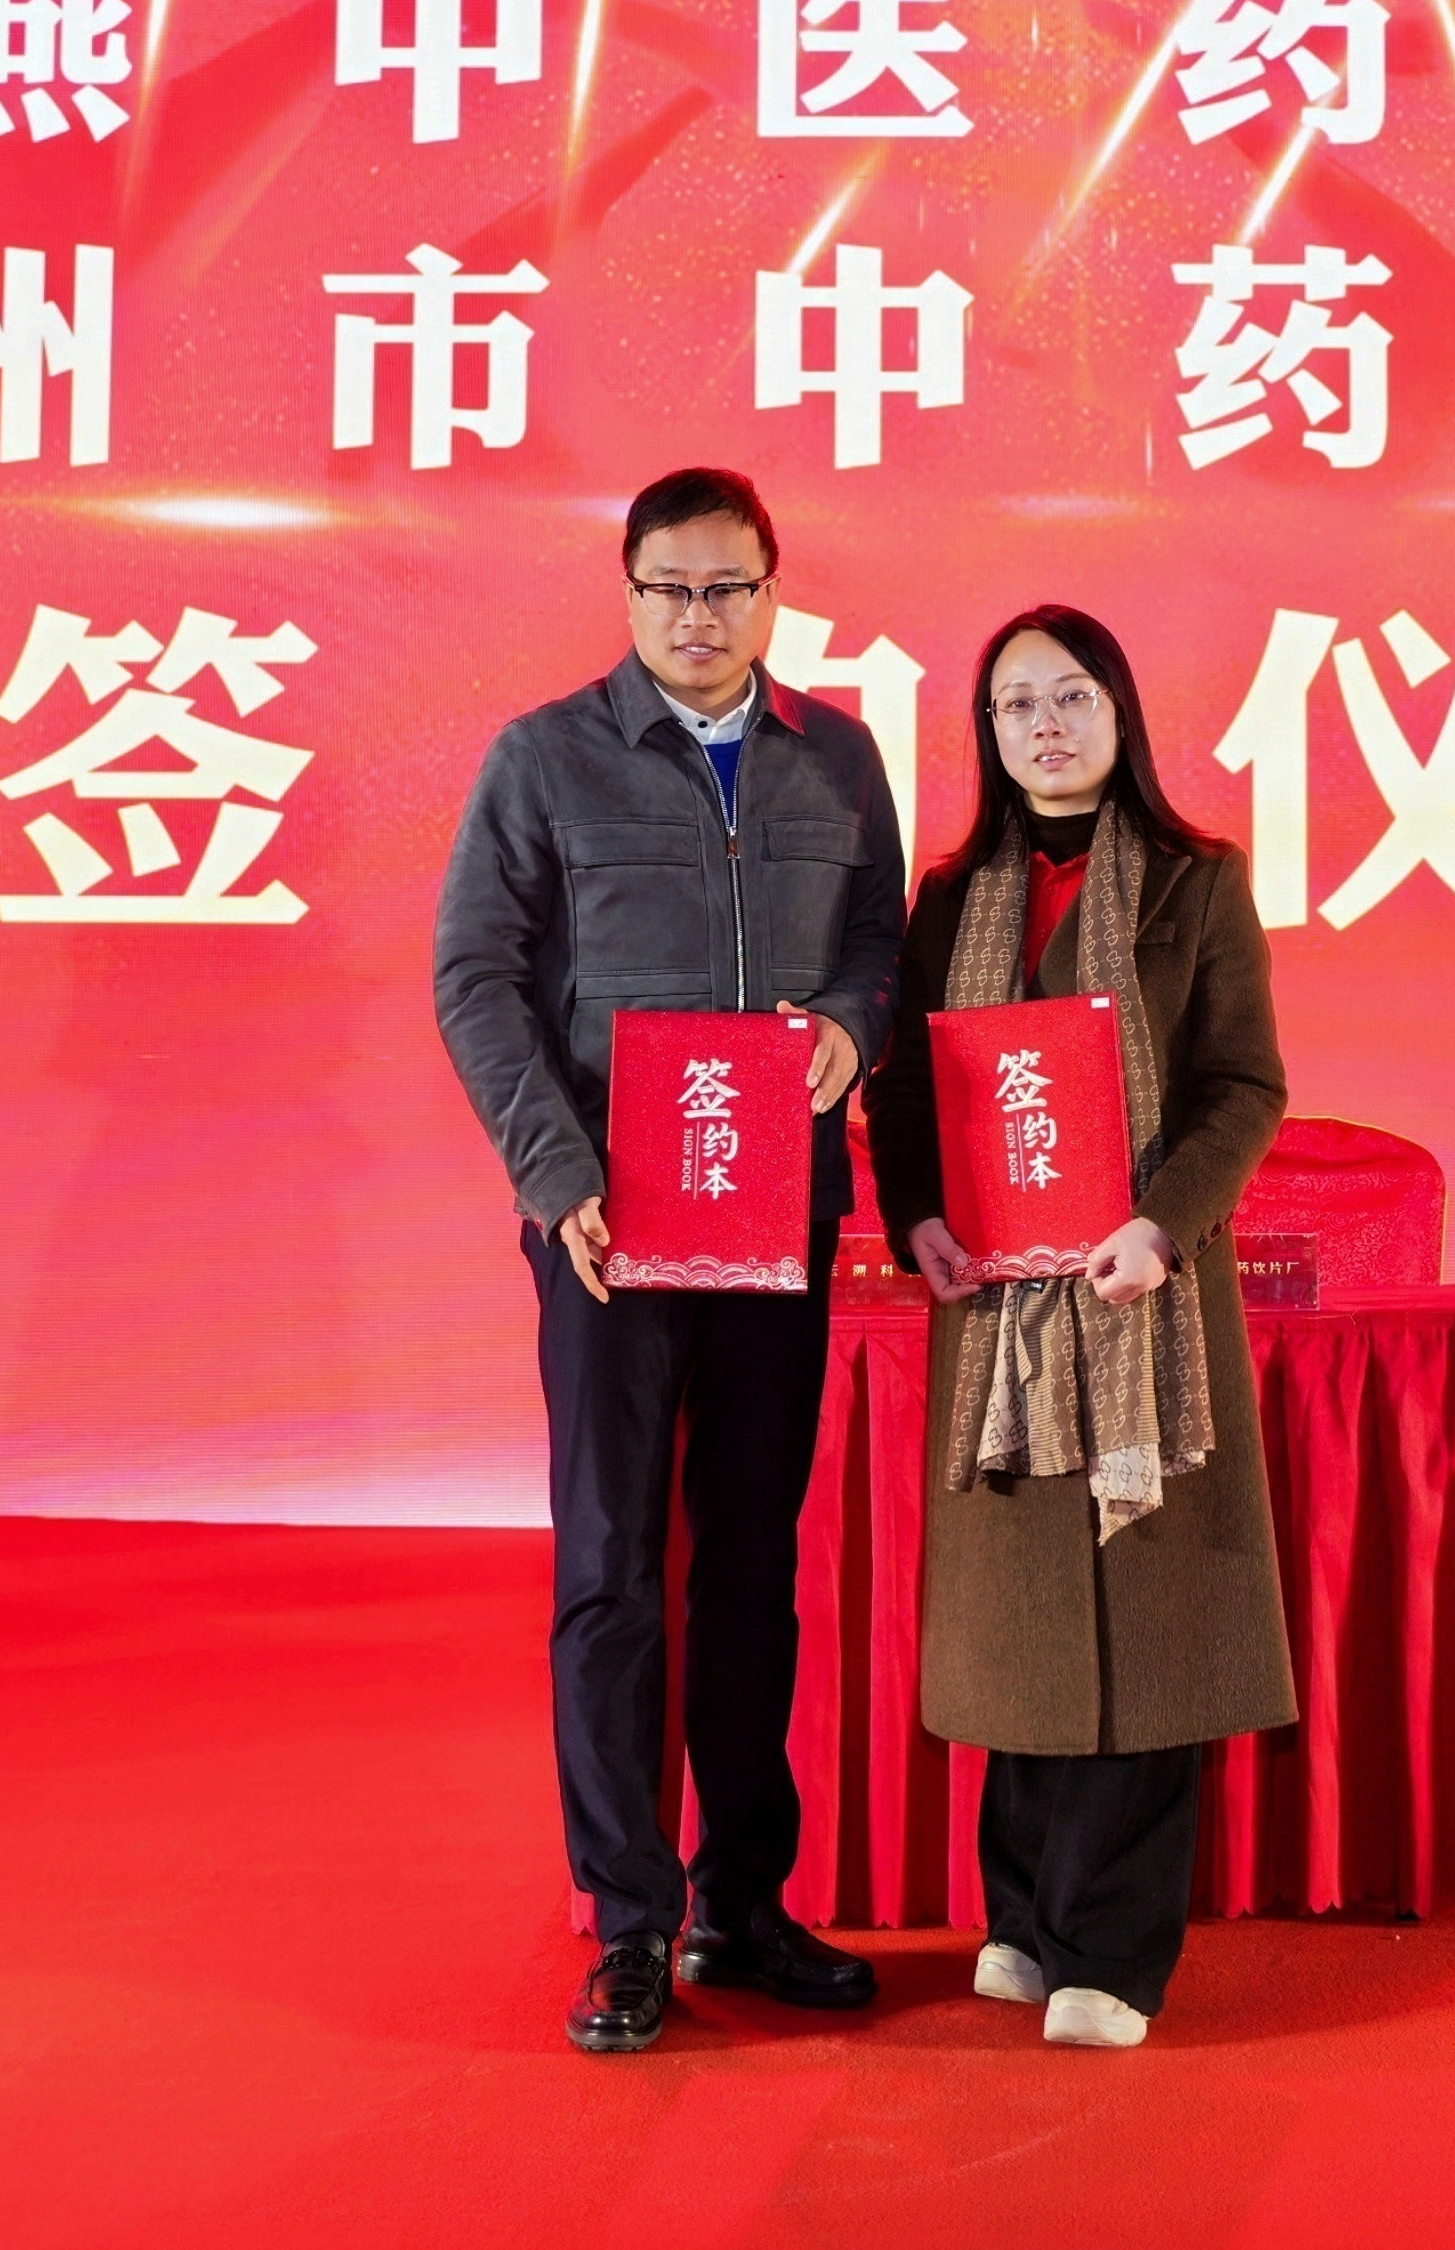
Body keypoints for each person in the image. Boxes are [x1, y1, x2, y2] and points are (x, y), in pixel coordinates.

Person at [433, 467, 909, 2055]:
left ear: (773, 591)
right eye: (669, 589)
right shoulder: (545, 758)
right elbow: (475, 975)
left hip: (777, 1212)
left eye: (728, 588)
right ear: (628, 593)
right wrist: (556, 1173)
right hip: (610, 1232)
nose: (698, 618)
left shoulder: (836, 758)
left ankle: (741, 1904)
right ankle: (630, 1921)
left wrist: (845, 1030)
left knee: (753, 1568)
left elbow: (878, 948)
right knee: (612, 1569)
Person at [865, 606, 1293, 2050]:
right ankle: (1025, 1920)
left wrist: (1162, 1225)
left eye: (1069, 697)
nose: (1042, 727)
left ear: (1119, 711)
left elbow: (1243, 1086)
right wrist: (919, 1214)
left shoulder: (1193, 879)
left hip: (1140, 1295)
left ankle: (1112, 1953)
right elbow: (908, 1089)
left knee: (1144, 1621)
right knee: (1026, 1620)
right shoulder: (951, 897)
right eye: (1013, 706)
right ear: (986, 734)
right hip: (999, 1307)